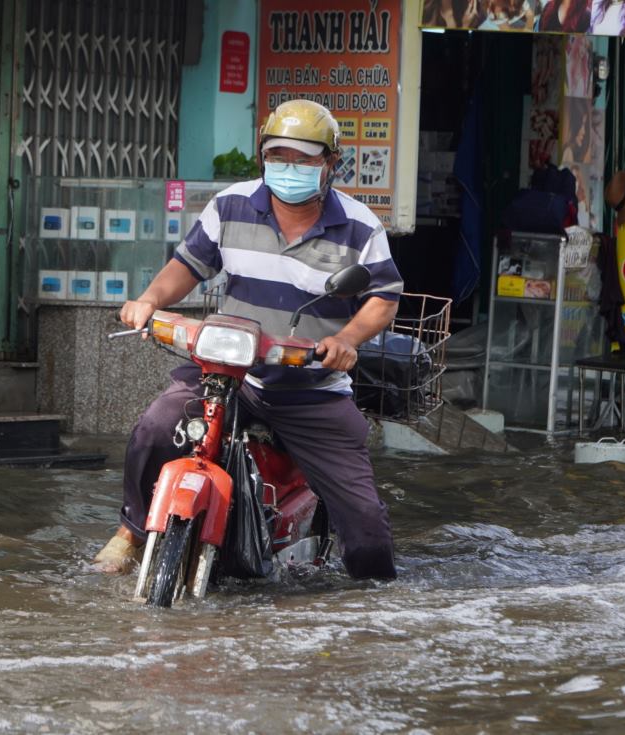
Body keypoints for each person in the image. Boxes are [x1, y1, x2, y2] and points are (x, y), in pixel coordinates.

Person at [93, 99, 403, 580]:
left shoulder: (361, 226)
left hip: (311, 388)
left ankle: (371, 612)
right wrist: (149, 299)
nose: (290, 167)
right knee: (155, 429)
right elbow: (188, 266)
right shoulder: (230, 204)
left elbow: (383, 297)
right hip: (228, 373)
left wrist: (346, 339)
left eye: (304, 158)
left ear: (330, 164)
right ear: (263, 156)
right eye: (279, 155)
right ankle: (131, 531)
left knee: (365, 528)